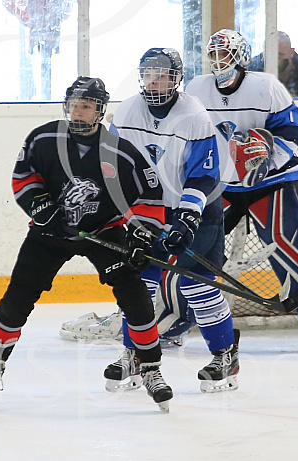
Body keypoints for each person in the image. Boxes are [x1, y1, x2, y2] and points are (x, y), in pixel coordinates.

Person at [0, 76, 173, 412]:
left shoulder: (119, 151)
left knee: (134, 295)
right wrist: (38, 203)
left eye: (87, 106)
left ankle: (150, 368)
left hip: (103, 233)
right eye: (74, 105)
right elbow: (25, 176)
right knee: (18, 296)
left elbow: (150, 194)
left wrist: (140, 234)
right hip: (49, 234)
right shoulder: (44, 137)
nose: (78, 112)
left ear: (99, 111)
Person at [186, 29, 298, 352]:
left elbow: (293, 126)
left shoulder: (266, 86)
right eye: (214, 55)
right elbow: (187, 130)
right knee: (192, 247)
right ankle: (171, 318)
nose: (219, 62)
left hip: (271, 180)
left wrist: (267, 158)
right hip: (221, 181)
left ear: (241, 58)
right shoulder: (197, 89)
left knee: (290, 245)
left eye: (226, 55)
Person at [108, 48, 241, 393]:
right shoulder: (126, 111)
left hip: (198, 209)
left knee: (196, 284)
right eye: (148, 74)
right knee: (138, 283)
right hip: (149, 211)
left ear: (176, 78)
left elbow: (201, 176)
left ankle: (225, 355)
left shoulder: (193, 114)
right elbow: (114, 166)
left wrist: (186, 220)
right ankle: (135, 353)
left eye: (162, 74)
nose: (154, 81)